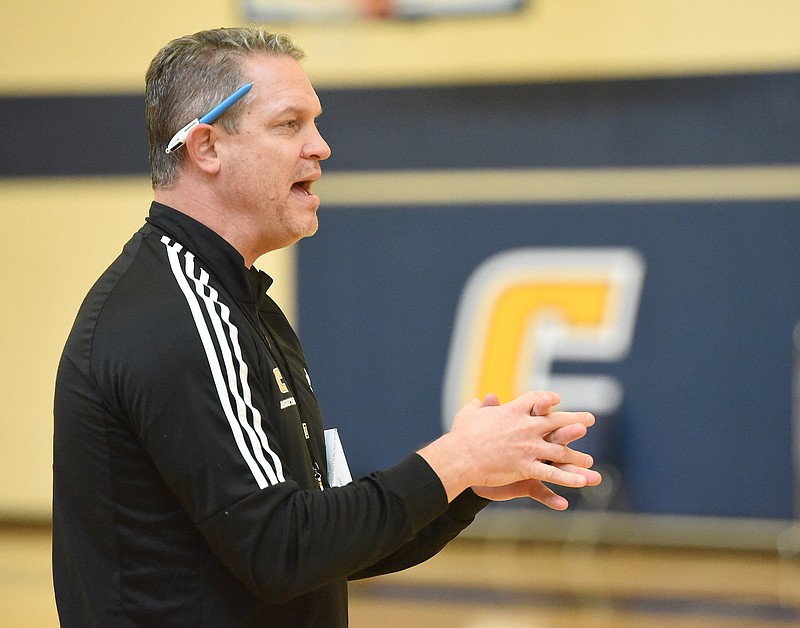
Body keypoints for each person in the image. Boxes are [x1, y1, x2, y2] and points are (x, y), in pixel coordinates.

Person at [52, 26, 601, 627]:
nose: (321, 147)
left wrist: (465, 484)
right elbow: (281, 549)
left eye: (314, 122)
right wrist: (456, 460)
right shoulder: (176, 313)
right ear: (206, 147)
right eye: (290, 124)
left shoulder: (243, 303)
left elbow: (321, 544)